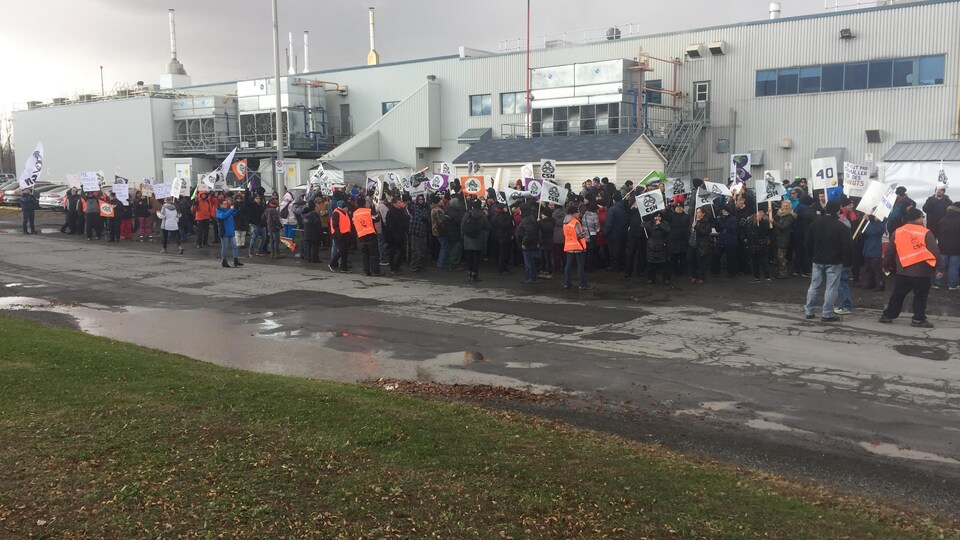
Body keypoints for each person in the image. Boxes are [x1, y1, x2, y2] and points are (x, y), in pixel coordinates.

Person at [880, 208, 943, 327]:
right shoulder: (925, 232)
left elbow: (889, 251)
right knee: (920, 296)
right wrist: (940, 268)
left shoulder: (898, 231)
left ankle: (888, 315)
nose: (923, 219)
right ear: (917, 218)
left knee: (898, 294)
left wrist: (885, 265)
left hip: (903, 269)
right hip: (922, 271)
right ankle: (918, 319)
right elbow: (935, 251)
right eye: (922, 217)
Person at [803, 200, 854, 323]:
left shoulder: (814, 224)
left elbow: (807, 242)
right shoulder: (841, 227)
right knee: (831, 287)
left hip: (817, 259)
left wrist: (811, 256)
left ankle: (809, 310)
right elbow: (847, 246)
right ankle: (827, 313)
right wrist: (848, 261)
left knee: (814, 285)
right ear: (838, 211)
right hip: (834, 261)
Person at [933, 201, 959, 290]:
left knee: (941, 266)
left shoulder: (943, 219)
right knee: (954, 268)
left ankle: (937, 283)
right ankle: (952, 285)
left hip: (943, 247)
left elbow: (937, 232)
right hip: (956, 248)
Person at [562, 206, 590, 290]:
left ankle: (567, 283)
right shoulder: (575, 222)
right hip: (578, 246)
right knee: (580, 266)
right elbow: (579, 234)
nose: (579, 214)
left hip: (569, 246)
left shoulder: (565, 222)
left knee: (568, 265)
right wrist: (584, 233)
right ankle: (582, 284)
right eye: (577, 212)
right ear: (573, 213)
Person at [461, 199, 489, 282]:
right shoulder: (482, 215)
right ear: (480, 205)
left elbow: (462, 226)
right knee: (476, 257)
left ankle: (469, 274)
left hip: (467, 238)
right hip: (478, 238)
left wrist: (463, 236)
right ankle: (474, 275)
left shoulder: (467, 214)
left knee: (469, 256)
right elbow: (488, 227)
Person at [352, 198, 380, 276]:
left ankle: (366, 271)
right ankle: (375, 271)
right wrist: (373, 209)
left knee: (365, 254)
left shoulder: (355, 213)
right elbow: (377, 219)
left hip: (361, 236)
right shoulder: (369, 211)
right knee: (373, 254)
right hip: (370, 234)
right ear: (364, 203)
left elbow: (353, 223)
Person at [742, 208, 772, 282]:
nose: (760, 214)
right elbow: (744, 231)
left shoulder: (764, 223)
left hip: (761, 245)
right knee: (754, 262)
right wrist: (745, 238)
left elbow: (768, 232)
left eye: (762, 213)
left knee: (763, 261)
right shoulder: (748, 223)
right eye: (759, 212)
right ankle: (756, 277)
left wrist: (766, 221)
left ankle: (767, 277)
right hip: (752, 244)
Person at [643, 211, 671, 285]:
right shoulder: (650, 223)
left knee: (664, 265)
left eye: (659, 217)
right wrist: (643, 225)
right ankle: (650, 278)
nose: (657, 218)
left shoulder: (665, 223)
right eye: (656, 216)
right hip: (652, 246)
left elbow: (668, 230)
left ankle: (666, 278)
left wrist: (660, 225)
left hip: (662, 246)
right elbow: (646, 230)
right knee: (651, 265)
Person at [861, 214, 887, 292]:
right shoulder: (870, 223)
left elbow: (872, 232)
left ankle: (880, 284)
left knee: (876, 268)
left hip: (875, 248)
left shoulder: (881, 224)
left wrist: (870, 221)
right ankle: (870, 283)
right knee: (869, 268)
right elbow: (865, 232)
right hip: (868, 248)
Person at [384, 197, 410, 275]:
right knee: (393, 253)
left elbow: (405, 221)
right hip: (393, 237)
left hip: (401, 234)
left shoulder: (401, 211)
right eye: (398, 203)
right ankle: (393, 268)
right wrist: (396, 236)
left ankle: (397, 265)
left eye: (400, 202)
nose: (400, 204)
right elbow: (390, 227)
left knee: (402, 251)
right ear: (394, 204)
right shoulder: (390, 213)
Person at [216, 198, 243, 268]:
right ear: (220, 205)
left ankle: (235, 260)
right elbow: (223, 216)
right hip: (224, 232)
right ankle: (224, 261)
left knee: (234, 246)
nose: (226, 205)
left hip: (231, 231)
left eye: (226, 204)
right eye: (224, 204)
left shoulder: (228, 210)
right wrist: (231, 209)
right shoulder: (218, 211)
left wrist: (237, 208)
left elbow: (235, 214)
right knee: (225, 247)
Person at [687, 207, 712, 285]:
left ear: (703, 213)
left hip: (700, 245)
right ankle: (694, 276)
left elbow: (705, 232)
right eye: (697, 212)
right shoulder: (693, 220)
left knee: (700, 262)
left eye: (699, 212)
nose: (697, 214)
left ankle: (701, 277)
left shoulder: (706, 222)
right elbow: (689, 230)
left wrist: (696, 227)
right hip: (692, 244)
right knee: (691, 261)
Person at [515, 205, 539, 284]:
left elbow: (529, 233)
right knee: (529, 261)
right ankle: (529, 277)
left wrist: (524, 243)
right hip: (529, 243)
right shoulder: (528, 218)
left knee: (529, 262)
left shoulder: (527, 219)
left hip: (528, 244)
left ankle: (531, 278)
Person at [772, 200, 795, 279]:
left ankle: (784, 273)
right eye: (783, 206)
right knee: (778, 256)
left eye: (786, 206)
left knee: (781, 256)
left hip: (783, 238)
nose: (785, 207)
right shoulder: (779, 214)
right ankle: (781, 271)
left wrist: (773, 222)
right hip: (777, 237)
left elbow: (783, 227)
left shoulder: (790, 216)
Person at [408, 194, 430, 272]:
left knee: (422, 249)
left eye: (422, 199)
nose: (421, 200)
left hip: (422, 231)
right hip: (415, 231)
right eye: (419, 199)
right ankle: (414, 265)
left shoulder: (424, 209)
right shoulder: (414, 207)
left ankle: (420, 264)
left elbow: (427, 218)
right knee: (415, 249)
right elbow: (410, 208)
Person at [328, 200, 352, 273]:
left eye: (346, 207)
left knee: (345, 251)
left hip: (345, 234)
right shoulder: (336, 214)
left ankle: (344, 267)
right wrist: (339, 235)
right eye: (345, 207)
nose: (346, 208)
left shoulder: (343, 213)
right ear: (341, 207)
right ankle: (332, 263)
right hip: (339, 235)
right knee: (342, 251)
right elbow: (335, 226)